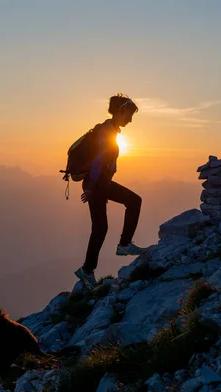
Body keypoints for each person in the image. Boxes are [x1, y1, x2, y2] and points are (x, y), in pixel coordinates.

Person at [74, 93, 147, 289]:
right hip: (97, 184)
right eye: (129, 115)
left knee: (100, 227)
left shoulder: (108, 129)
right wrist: (90, 188)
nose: (131, 120)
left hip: (98, 183)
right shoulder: (108, 131)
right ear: (121, 111)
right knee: (134, 202)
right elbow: (98, 161)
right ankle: (123, 246)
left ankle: (87, 270)